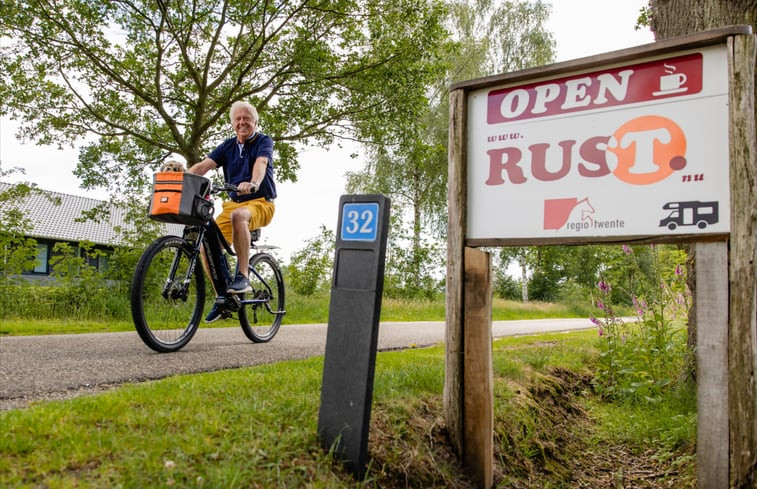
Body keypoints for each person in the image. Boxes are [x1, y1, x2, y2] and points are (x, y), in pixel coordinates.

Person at [189, 101, 277, 322]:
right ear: (232, 123)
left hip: (260, 202)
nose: (242, 122)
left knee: (240, 216)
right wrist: (180, 178)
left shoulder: (263, 141)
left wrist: (253, 182)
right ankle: (223, 299)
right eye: (237, 119)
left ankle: (243, 276)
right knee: (206, 244)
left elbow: (261, 163)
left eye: (246, 118)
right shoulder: (227, 146)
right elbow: (203, 166)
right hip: (232, 205)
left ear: (255, 121)